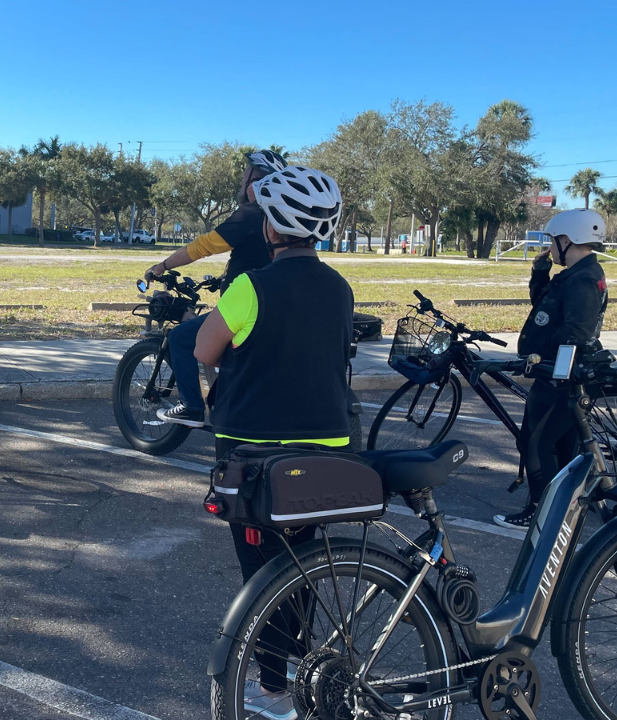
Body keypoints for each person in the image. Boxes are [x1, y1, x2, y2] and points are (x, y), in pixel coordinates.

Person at [194, 166, 350, 717]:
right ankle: (304, 670)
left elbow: (205, 351)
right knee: (306, 562)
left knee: (260, 573)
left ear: (271, 230)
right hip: (326, 447)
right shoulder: (340, 287)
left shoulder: (250, 286)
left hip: (254, 451)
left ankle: (275, 687)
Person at [145, 149, 287, 428]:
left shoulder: (249, 214)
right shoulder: (278, 217)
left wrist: (162, 266)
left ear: (254, 180)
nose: (242, 180)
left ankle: (192, 406)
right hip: (275, 306)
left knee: (181, 339)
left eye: (245, 175)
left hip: (244, 308)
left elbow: (204, 246)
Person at [494, 209, 609, 530]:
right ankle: (562, 508)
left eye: (552, 240)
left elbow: (577, 332)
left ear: (566, 239)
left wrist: (540, 357)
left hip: (562, 376)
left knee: (536, 443)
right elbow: (544, 307)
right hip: (557, 373)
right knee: (560, 446)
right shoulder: (577, 273)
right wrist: (540, 273)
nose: (549, 246)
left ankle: (539, 511)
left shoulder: (583, 279)